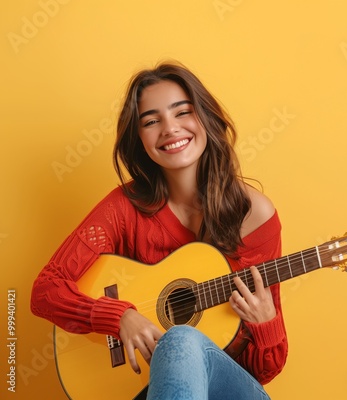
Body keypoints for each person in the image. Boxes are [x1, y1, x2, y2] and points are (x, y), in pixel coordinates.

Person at [31, 62, 288, 399]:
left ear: (206, 119)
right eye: (151, 121)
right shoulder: (124, 208)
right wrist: (119, 317)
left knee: (179, 337)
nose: (169, 129)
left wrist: (266, 323)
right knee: (176, 340)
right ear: (139, 139)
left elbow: (263, 372)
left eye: (182, 112)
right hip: (144, 389)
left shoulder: (254, 215)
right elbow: (46, 290)